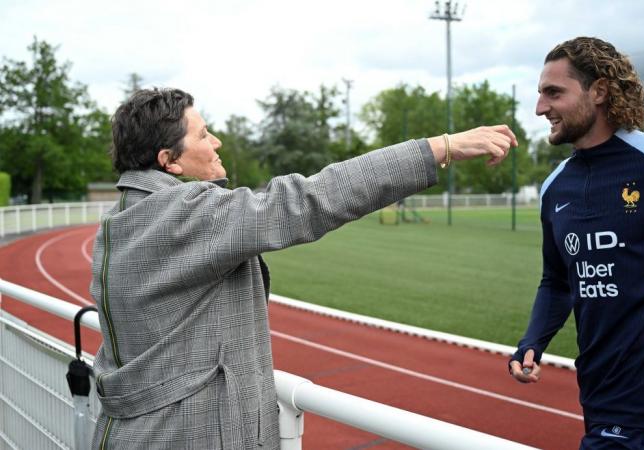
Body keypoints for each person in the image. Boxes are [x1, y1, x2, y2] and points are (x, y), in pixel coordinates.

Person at [90, 87, 517, 449]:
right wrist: (439, 147)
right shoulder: (184, 215)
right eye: (203, 135)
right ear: (170, 160)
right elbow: (311, 199)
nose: (217, 142)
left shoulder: (121, 221)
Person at [509, 36, 644, 449]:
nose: (541, 108)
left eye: (553, 93)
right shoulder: (555, 188)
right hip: (599, 396)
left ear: (598, 91)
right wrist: (532, 342)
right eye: (540, 94)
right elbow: (558, 280)